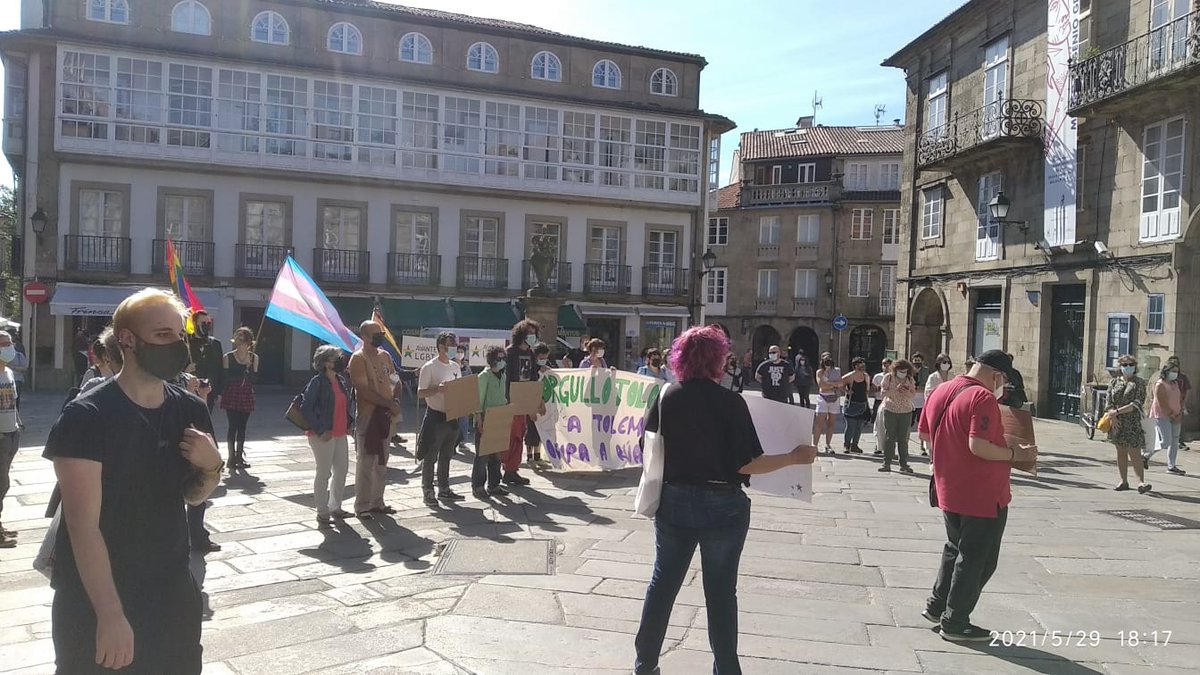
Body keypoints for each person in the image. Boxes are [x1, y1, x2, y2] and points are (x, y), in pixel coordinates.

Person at [44, 288, 222, 673]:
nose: (176, 345)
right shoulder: (86, 416)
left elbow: (192, 497)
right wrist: (110, 616)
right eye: (162, 335)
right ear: (127, 339)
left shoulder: (189, 407)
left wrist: (212, 467)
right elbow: (82, 526)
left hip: (171, 588)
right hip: (98, 596)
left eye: (180, 335)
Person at [633, 325, 817, 674]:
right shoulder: (731, 402)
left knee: (662, 585)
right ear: (719, 360)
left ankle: (644, 666)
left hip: (674, 502)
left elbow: (646, 449)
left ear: (680, 359)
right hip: (722, 504)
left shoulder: (664, 396)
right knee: (720, 593)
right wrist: (793, 457)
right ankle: (727, 669)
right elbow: (748, 463)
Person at [918, 350, 1037, 642]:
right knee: (977, 559)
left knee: (954, 548)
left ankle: (937, 606)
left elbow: (924, 434)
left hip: (948, 485)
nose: (1003, 387)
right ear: (996, 374)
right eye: (1004, 380)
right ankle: (955, 621)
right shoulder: (982, 398)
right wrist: (1013, 453)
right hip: (981, 492)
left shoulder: (942, 390)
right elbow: (978, 446)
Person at [349, 321, 404, 517]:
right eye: (376, 334)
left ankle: (377, 502)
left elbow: (394, 380)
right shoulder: (358, 359)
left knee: (382, 460)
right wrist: (388, 404)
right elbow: (363, 390)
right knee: (366, 461)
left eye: (380, 333)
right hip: (368, 416)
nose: (380, 336)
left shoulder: (385, 356)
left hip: (387, 416)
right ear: (364, 336)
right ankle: (362, 505)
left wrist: (396, 399)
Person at [300, 345, 355, 527]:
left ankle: (335, 506)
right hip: (323, 433)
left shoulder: (340, 380)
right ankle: (322, 511)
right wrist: (320, 429)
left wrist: (349, 423)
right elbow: (306, 407)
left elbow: (344, 405)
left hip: (340, 432)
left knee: (342, 469)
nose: (340, 361)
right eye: (335, 358)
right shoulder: (317, 382)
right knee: (324, 472)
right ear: (325, 363)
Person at [415, 331, 464, 507]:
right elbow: (420, 393)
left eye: (454, 345)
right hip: (435, 416)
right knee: (430, 456)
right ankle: (428, 491)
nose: (452, 348)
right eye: (449, 345)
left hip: (452, 416)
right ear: (440, 347)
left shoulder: (455, 366)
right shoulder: (429, 367)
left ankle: (444, 488)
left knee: (447, 455)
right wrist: (437, 389)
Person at [502, 320, 539, 486]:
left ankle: (513, 469)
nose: (532, 337)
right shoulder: (510, 353)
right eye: (529, 333)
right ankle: (508, 468)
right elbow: (507, 378)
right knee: (512, 436)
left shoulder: (531, 354)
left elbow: (533, 377)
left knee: (520, 435)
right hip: (511, 400)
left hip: (524, 400)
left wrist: (535, 401)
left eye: (534, 333)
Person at [1107, 354, 1151, 493]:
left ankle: (1141, 483)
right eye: (1125, 365)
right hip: (1117, 423)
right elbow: (1108, 402)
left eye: (1131, 365)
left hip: (1132, 422)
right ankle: (1123, 481)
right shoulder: (1114, 382)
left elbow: (1137, 403)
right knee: (1120, 451)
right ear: (1120, 366)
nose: (1128, 367)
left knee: (1135, 452)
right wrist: (1112, 416)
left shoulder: (1139, 382)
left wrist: (1117, 412)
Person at [473, 346, 511, 499]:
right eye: (499, 358)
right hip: (486, 418)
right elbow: (478, 401)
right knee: (482, 456)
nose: (502, 361)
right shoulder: (484, 376)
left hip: (499, 418)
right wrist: (479, 421)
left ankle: (494, 484)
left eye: (503, 358)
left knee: (496, 455)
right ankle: (478, 486)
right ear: (492, 360)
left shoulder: (503, 375)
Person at [219, 327, 258, 470]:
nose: (239, 343)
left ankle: (240, 456)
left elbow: (255, 379)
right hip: (232, 393)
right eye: (237, 340)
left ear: (248, 342)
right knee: (232, 426)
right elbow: (225, 378)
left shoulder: (254, 358)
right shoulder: (228, 357)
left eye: (242, 340)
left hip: (246, 393)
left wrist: (249, 370)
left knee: (242, 426)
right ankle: (231, 457)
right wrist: (241, 374)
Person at [0, 332, 21, 550]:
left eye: (10, 343)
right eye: (4, 344)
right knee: (0, 483)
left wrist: (18, 424)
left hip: (12, 432)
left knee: (3, 483)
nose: (9, 347)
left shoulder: (9, 373)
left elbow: (14, 403)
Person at [879, 359, 917, 473]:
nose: (903, 373)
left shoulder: (909, 379)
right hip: (891, 409)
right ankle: (887, 463)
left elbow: (913, 395)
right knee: (890, 437)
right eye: (900, 371)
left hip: (906, 411)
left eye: (905, 371)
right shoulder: (888, 378)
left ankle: (904, 464)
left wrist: (906, 391)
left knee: (903, 439)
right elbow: (883, 393)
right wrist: (895, 389)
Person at [1148, 362, 1185, 476]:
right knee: (1165, 441)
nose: (1175, 373)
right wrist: (1172, 414)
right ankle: (1145, 456)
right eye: (1172, 371)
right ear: (1166, 371)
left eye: (1176, 371)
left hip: (1176, 414)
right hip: (1163, 415)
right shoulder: (1160, 384)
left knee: (1174, 441)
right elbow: (1161, 403)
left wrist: (1179, 412)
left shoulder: (1175, 383)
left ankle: (1171, 465)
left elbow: (1179, 399)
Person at [187, 310, 224, 415]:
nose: (206, 326)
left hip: (208, 391)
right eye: (203, 323)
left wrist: (219, 392)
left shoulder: (215, 344)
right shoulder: (186, 343)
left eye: (208, 323)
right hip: (190, 389)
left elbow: (219, 368)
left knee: (205, 420)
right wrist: (186, 369)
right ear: (195, 323)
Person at [525, 342, 553, 469]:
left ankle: (537, 455)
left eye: (546, 357)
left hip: (543, 403)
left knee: (540, 429)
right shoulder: (531, 368)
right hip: (531, 401)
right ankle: (529, 456)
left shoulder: (547, 366)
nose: (544, 360)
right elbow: (531, 384)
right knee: (530, 429)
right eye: (542, 357)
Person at [921, 354, 954, 455]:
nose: (946, 364)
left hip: (949, 409)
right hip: (935, 408)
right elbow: (929, 393)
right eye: (944, 362)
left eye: (948, 362)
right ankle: (932, 456)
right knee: (933, 433)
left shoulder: (952, 377)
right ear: (939, 363)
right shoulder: (933, 377)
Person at [841, 357, 871, 454]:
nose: (862, 366)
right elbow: (840, 383)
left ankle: (855, 445)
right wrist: (846, 391)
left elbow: (867, 390)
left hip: (862, 404)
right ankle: (846, 445)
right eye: (859, 364)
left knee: (859, 427)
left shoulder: (866, 376)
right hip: (851, 405)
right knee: (850, 426)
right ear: (855, 366)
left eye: (863, 364)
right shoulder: (850, 376)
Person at [814, 354, 842, 454]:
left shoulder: (836, 370)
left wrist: (829, 384)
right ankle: (815, 445)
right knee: (819, 422)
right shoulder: (820, 372)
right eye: (825, 359)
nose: (827, 361)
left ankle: (828, 444)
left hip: (834, 398)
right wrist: (833, 384)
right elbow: (821, 385)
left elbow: (840, 383)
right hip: (823, 398)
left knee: (831, 423)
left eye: (829, 359)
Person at [1167, 355, 1191, 450]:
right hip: (1166, 404)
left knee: (1179, 423)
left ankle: (1179, 441)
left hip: (1179, 403)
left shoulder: (1183, 377)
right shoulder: (1164, 377)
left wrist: (1184, 403)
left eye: (1176, 363)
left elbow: (1187, 390)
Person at [871, 358, 892, 455]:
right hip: (879, 401)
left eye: (888, 364)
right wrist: (880, 388)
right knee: (877, 423)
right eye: (884, 364)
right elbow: (872, 390)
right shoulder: (877, 376)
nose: (886, 366)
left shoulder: (894, 376)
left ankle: (888, 446)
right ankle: (877, 445)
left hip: (890, 402)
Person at [454, 345, 472, 452]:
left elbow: (470, 378)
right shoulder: (450, 364)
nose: (460, 353)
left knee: (464, 421)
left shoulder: (466, 366)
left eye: (462, 351)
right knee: (454, 421)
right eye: (458, 351)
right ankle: (452, 442)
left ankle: (462, 441)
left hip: (464, 396)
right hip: (454, 397)